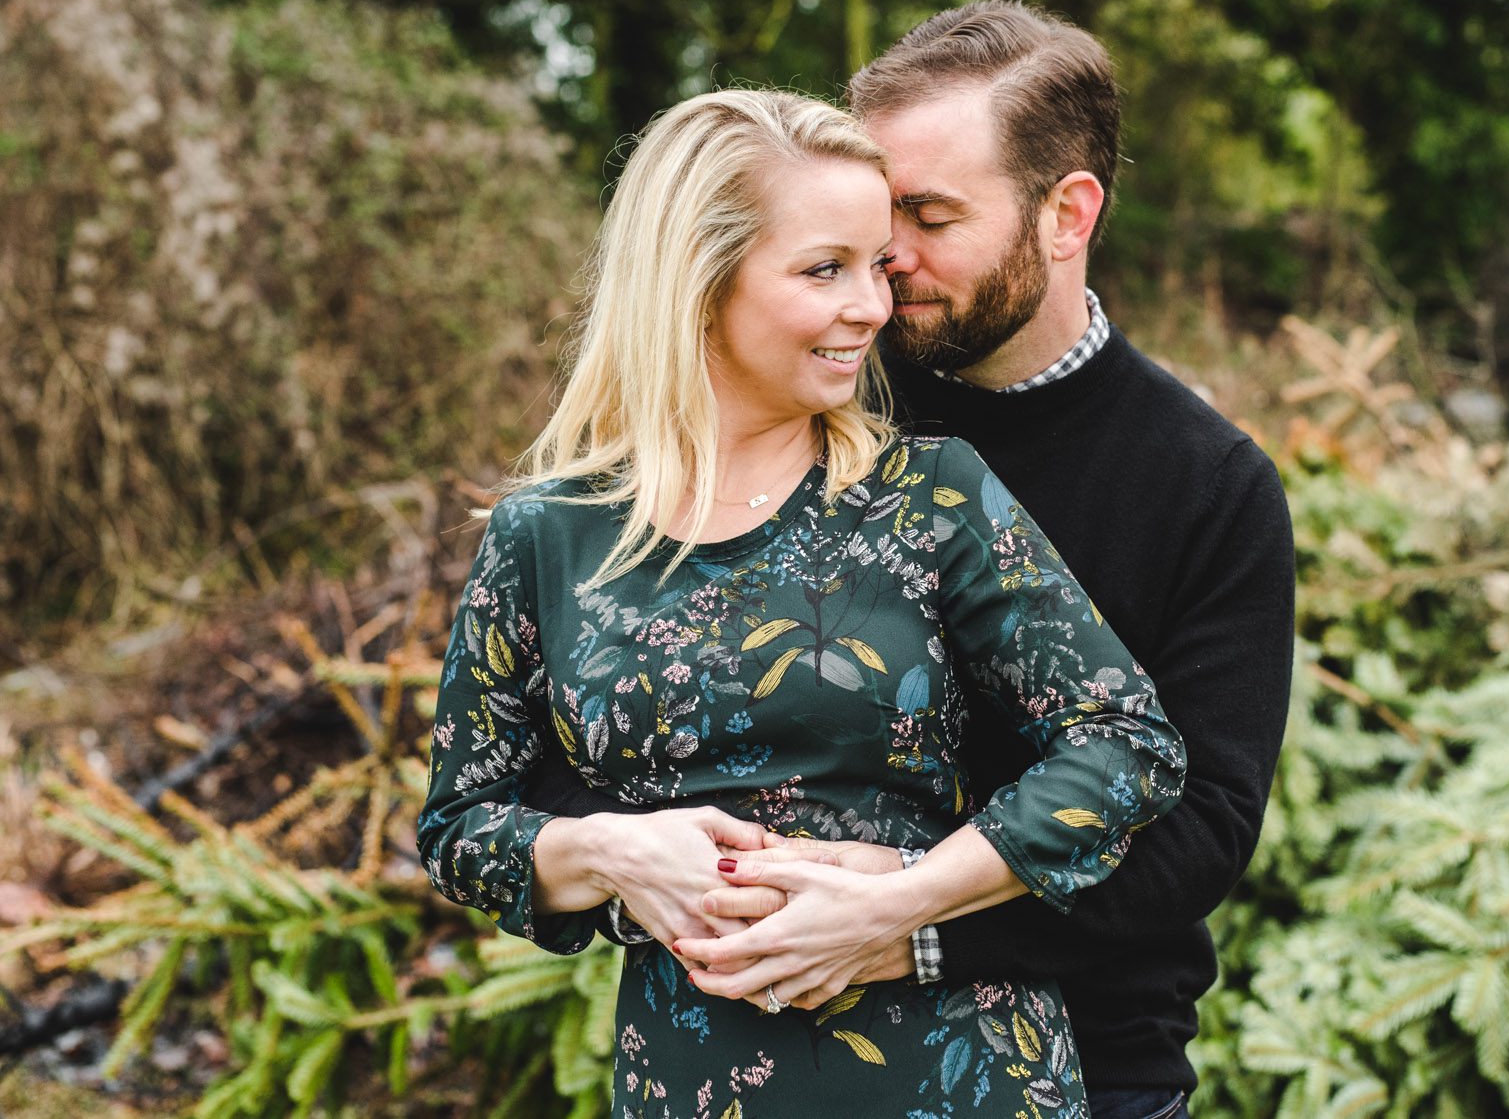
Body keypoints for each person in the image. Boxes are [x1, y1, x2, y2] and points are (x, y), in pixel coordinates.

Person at [414, 88, 1186, 1119]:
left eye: (877, 263)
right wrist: (608, 849)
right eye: (825, 268)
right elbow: (461, 823)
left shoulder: (930, 494)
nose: (871, 304)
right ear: (695, 279)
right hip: (696, 1077)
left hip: (956, 1069)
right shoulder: (548, 534)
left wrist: (901, 900)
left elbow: (1125, 743)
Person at [696, 1, 1298, 1119]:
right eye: (878, 216)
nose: (888, 260)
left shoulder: (1204, 483)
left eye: (928, 214)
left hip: (1091, 1065)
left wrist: (913, 928)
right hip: (778, 1062)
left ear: (1065, 213)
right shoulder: (809, 409)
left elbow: (1198, 833)